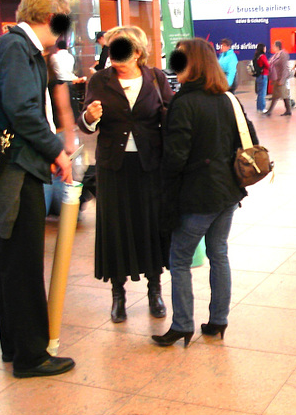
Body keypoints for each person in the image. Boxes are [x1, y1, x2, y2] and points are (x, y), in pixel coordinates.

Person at [0, 0, 75, 378]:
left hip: (12, 171)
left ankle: (14, 346)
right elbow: (23, 111)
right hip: (14, 177)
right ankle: (31, 357)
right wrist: (55, 151)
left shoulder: (17, 48)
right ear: (51, 18)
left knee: (13, 264)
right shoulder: (17, 50)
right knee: (24, 265)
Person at [153, 38, 259, 347]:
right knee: (219, 253)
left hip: (198, 196)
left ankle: (182, 324)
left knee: (180, 259)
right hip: (228, 192)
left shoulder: (184, 103)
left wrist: (165, 195)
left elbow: (175, 158)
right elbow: (249, 137)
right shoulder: (228, 98)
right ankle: (217, 321)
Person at [77, 26, 173, 324]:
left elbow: (171, 115)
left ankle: (154, 290)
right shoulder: (99, 80)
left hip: (149, 165)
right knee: (116, 227)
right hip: (113, 166)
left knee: (150, 225)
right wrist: (88, 119)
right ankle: (118, 296)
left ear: (138, 52)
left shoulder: (155, 78)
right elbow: (85, 121)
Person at [264, 40, 291, 116]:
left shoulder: (283, 55)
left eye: (274, 46)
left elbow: (284, 68)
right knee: (277, 95)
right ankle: (286, 110)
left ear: (277, 46)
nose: (273, 47)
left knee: (283, 95)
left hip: (280, 78)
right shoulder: (276, 55)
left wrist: (282, 80)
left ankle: (287, 110)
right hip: (276, 78)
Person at [253, 43, 270, 113]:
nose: (265, 49)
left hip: (258, 76)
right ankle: (262, 108)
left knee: (260, 92)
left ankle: (258, 108)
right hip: (263, 75)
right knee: (263, 93)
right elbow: (267, 65)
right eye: (265, 48)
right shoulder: (262, 56)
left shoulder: (257, 56)